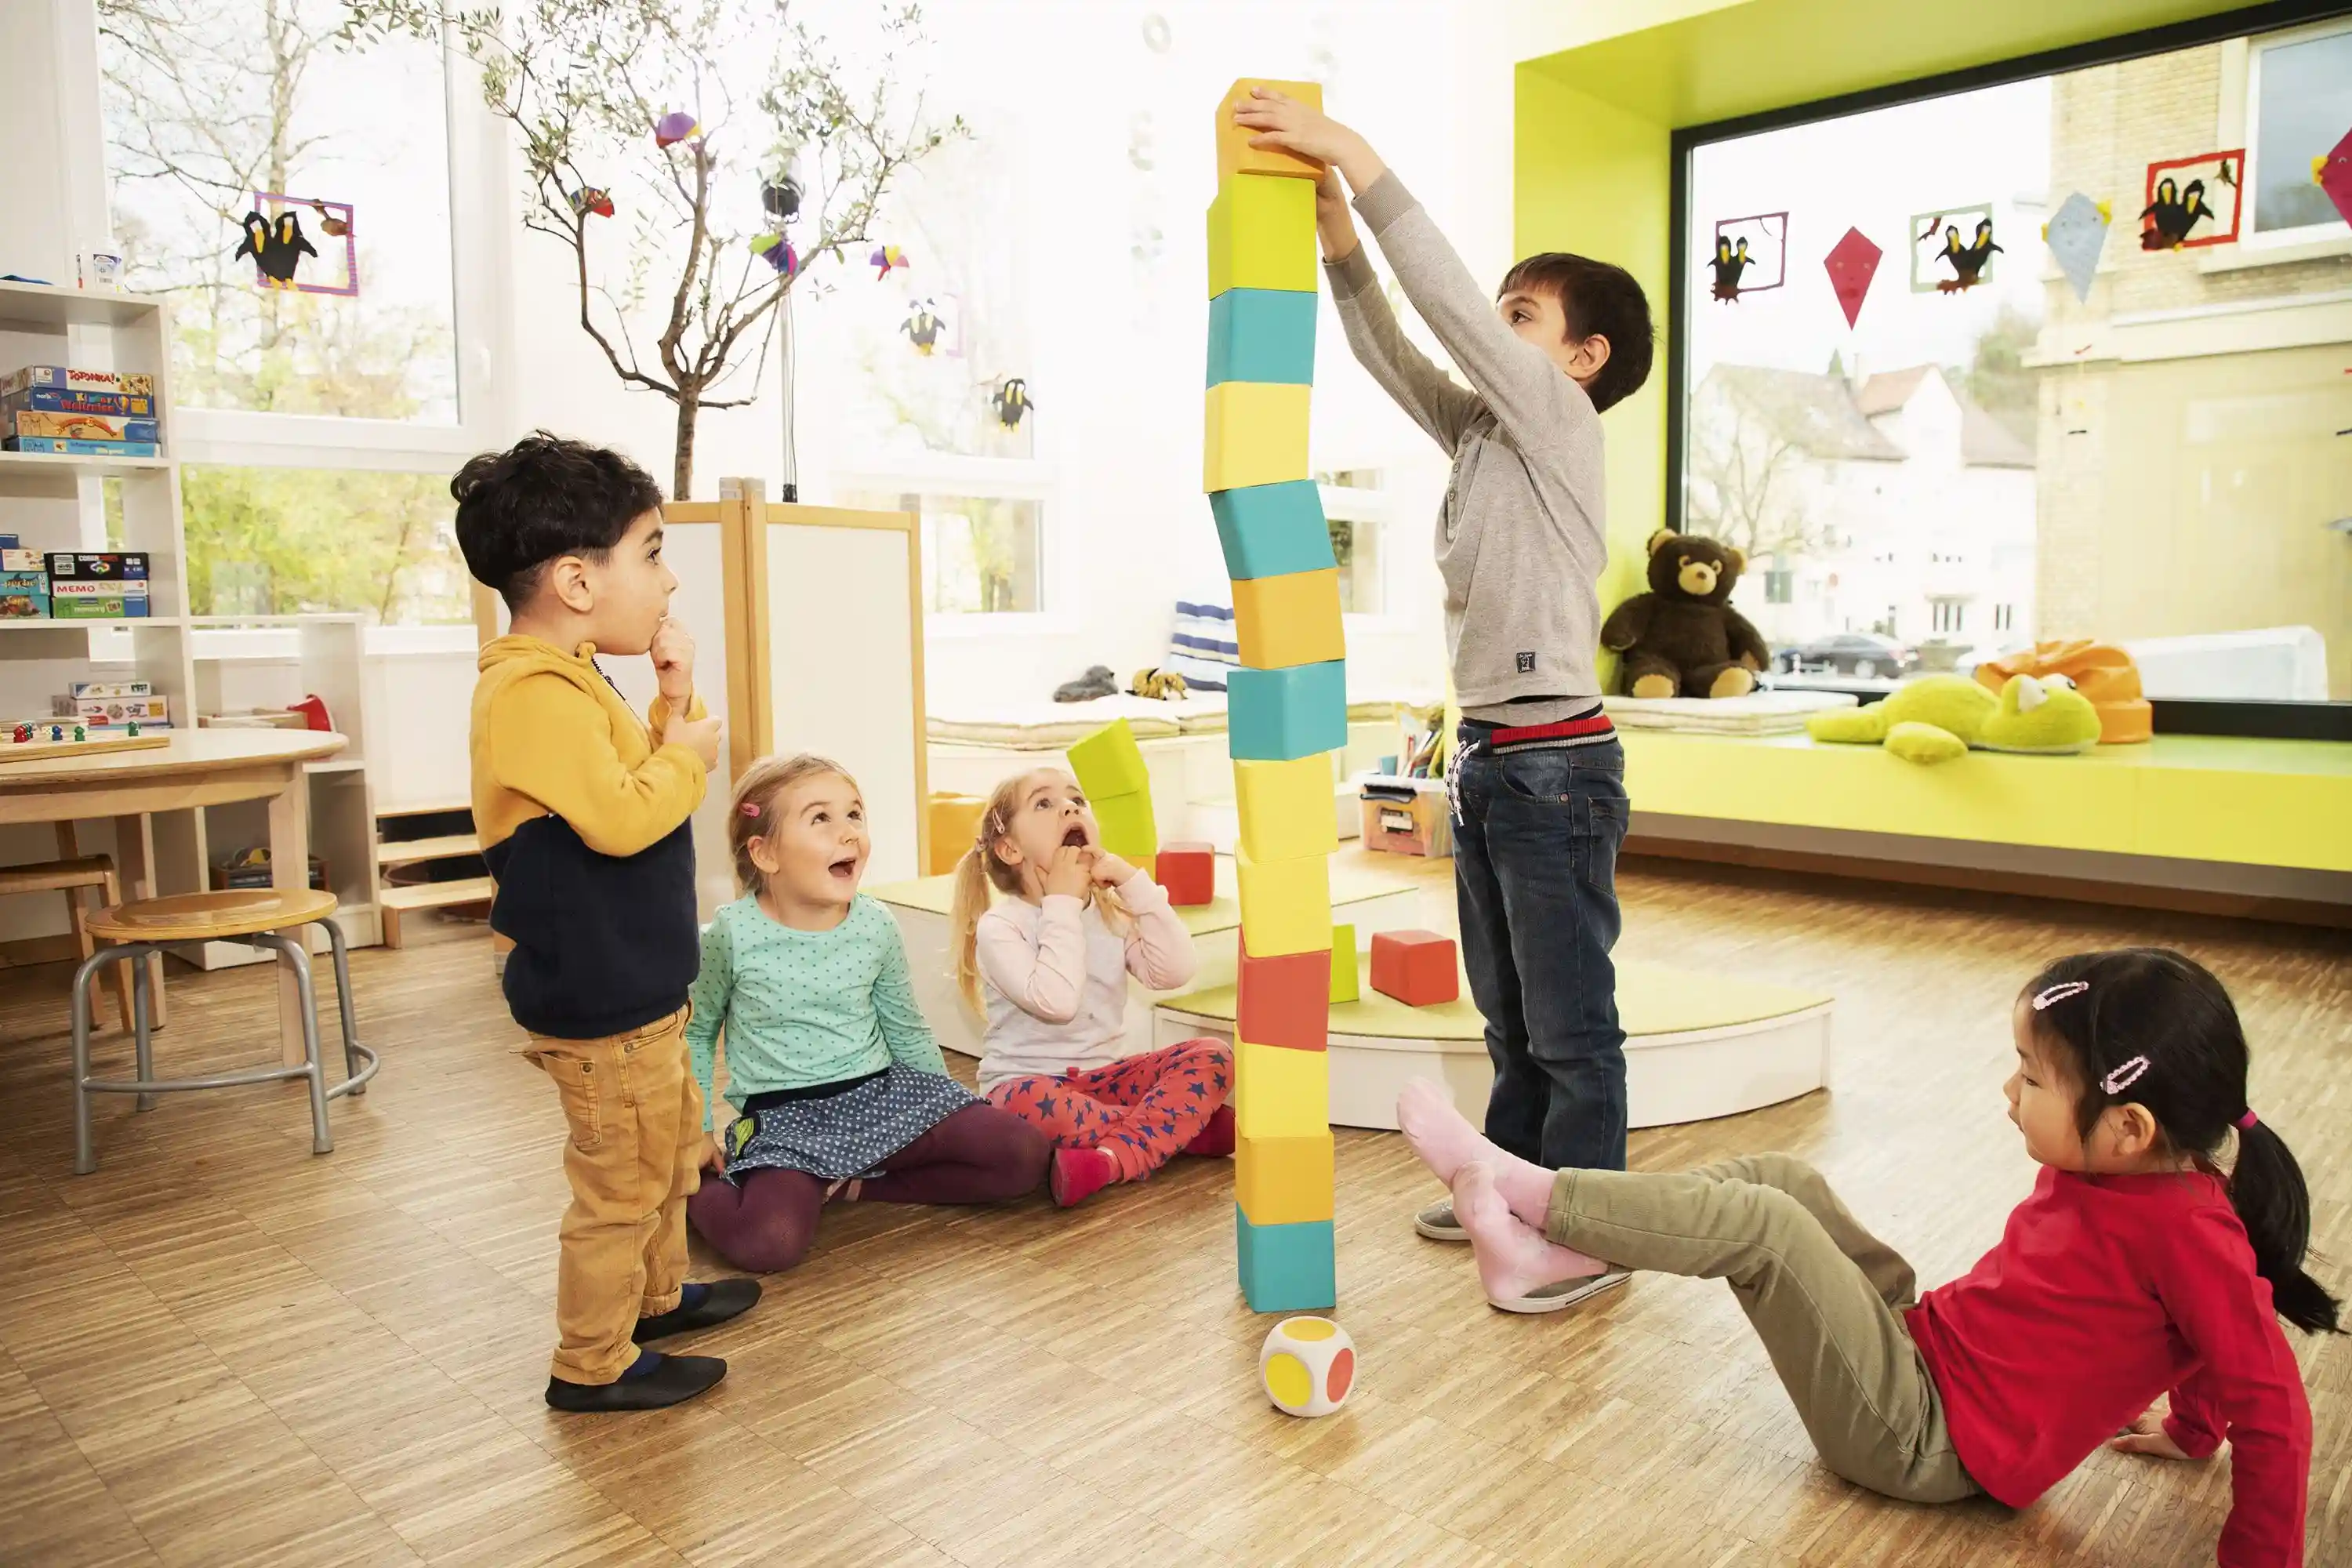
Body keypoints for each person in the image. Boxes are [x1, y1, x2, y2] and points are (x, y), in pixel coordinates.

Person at [1397, 948, 2334, 1563]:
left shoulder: (2188, 1230)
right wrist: (2192, 1427)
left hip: (1926, 1441)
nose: (2009, 1091)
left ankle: (1528, 1190)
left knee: (1767, 1226)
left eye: (2035, 1076)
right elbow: (2217, 1342)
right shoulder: (2125, 1172)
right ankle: (1548, 1250)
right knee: (1781, 1178)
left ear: (2129, 1126)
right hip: (1928, 1349)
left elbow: (2271, 1397)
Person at [1232, 90, 1656, 1290]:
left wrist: (1364, 163)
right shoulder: (1484, 430)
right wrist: (1338, 240)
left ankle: (1588, 1230)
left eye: (1525, 315)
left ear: (1582, 359)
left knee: (1574, 1022)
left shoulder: (1559, 420)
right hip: (1492, 760)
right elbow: (1393, 351)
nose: (1494, 328)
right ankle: (1510, 1183)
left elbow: (1453, 315)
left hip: (1556, 765)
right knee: (1511, 1014)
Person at [457, 431, 757, 1414]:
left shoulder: (579, 672)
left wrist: (676, 702)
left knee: (666, 1150)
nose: (669, 581)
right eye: (656, 552)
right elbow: (631, 816)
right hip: (594, 990)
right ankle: (590, 1361)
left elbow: (647, 769)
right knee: (618, 1181)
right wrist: (692, 752)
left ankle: (656, 1297)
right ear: (579, 581)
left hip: (638, 975)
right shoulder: (530, 692)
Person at [684, 754, 1048, 1272]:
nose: (849, 833)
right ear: (764, 854)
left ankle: (853, 1186)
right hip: (788, 1119)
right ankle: (691, 1189)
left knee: (1023, 1155)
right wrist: (695, 1135)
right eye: (821, 819)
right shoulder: (730, 935)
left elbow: (904, 1022)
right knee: (771, 1242)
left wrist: (945, 1103)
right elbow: (697, 1034)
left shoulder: (875, 924)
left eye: (855, 814)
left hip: (883, 1094)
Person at [949, 768, 1232, 1209]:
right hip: (1029, 1086)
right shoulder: (1001, 926)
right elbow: (1057, 1002)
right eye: (1043, 803)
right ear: (1010, 849)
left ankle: (1108, 1160)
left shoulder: (1110, 913)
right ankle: (1174, 1131)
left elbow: (1175, 972)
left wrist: (1134, 884)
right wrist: (1061, 902)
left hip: (1107, 1081)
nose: (1069, 807)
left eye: (1076, 800)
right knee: (1029, 1108)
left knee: (1213, 1054)